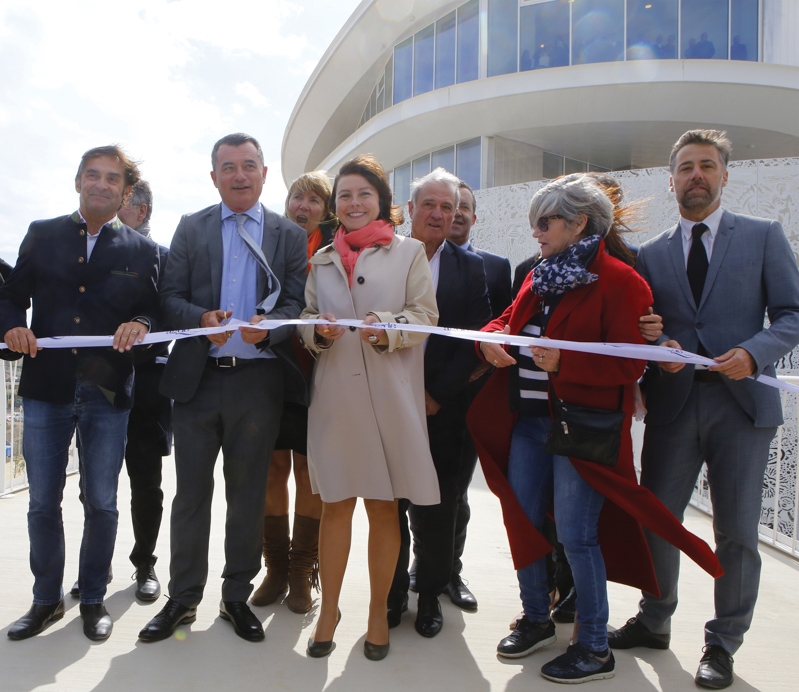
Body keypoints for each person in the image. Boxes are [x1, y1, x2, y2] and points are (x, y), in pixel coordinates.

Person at [470, 174, 721, 684]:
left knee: (579, 536)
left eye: (545, 222)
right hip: (528, 425)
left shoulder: (623, 282)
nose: (536, 232)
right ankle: (537, 618)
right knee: (523, 520)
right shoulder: (540, 274)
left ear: (578, 222)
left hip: (582, 430)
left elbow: (629, 367)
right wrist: (488, 341)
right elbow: (507, 322)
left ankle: (595, 647)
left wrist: (565, 366)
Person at [608, 129, 799, 689]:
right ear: (671, 180)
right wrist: (656, 350)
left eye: (707, 165)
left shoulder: (763, 237)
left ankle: (722, 642)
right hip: (674, 406)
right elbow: (646, 329)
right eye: (686, 167)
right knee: (659, 521)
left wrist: (753, 352)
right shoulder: (650, 254)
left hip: (742, 409)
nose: (697, 174)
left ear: (723, 175)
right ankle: (654, 619)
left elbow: (792, 313)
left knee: (736, 532)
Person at [138, 133, 307, 644]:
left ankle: (236, 595)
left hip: (258, 382)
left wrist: (273, 326)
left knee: (248, 494)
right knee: (190, 494)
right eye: (228, 167)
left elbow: (297, 303)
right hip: (197, 382)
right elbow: (168, 296)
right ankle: (183, 598)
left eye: (248, 165)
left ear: (263, 174)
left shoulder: (287, 234)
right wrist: (200, 318)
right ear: (214, 176)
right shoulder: (192, 228)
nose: (239, 175)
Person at [1, 145, 161, 642]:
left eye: (112, 179)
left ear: (125, 191)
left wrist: (141, 322)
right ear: (77, 182)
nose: (101, 184)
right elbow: (10, 296)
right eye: (92, 175)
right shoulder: (42, 234)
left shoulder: (143, 250)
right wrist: (12, 327)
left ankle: (92, 598)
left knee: (102, 500)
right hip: (46, 387)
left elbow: (159, 308)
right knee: (42, 501)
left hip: (108, 392)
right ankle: (46, 600)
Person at [298, 154, 439, 661]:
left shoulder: (410, 252)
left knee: (384, 508)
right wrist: (317, 330)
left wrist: (389, 326)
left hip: (389, 398)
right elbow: (307, 317)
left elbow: (425, 315)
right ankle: (330, 610)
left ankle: (378, 611)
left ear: (381, 199)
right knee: (335, 506)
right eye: (344, 196)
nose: (353, 203)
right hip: (336, 398)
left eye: (363, 194)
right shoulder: (320, 259)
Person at [388, 168, 492, 638]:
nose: (437, 214)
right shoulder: (382, 256)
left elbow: (473, 339)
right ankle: (390, 597)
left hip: (443, 410)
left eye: (447, 207)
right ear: (410, 210)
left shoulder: (471, 269)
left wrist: (435, 396)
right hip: (387, 404)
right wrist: (401, 395)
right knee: (389, 506)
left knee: (438, 508)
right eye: (428, 204)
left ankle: (428, 594)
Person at [68, 180, 171, 603]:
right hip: (96, 386)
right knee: (93, 484)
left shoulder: (162, 258)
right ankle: (97, 563)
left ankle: (144, 563)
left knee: (145, 482)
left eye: (121, 202)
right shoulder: (85, 258)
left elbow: (170, 313)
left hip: (146, 386)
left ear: (140, 211)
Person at [251, 170, 337, 613]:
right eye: (297, 197)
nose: (303, 206)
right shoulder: (266, 240)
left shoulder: (336, 251)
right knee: (271, 470)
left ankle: (304, 571)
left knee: (309, 473)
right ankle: (277, 569)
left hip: (318, 375)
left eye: (314, 200)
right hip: (269, 372)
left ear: (327, 210)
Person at [439, 180, 511, 611]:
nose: (459, 213)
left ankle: (451, 570)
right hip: (416, 392)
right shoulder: (412, 261)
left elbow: (501, 330)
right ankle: (418, 568)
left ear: (473, 217)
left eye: (466, 207)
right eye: (452, 206)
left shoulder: (497, 267)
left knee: (456, 491)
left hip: (469, 395)